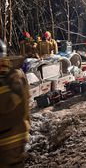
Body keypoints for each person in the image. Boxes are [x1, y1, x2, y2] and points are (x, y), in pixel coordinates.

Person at [0, 39, 30, 168]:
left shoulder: (12, 77)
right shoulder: (14, 74)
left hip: (9, 141)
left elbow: (5, 104)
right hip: (14, 138)